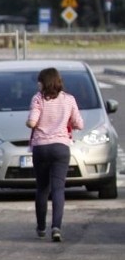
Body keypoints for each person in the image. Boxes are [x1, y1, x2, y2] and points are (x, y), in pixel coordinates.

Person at [26, 67, 83, 242]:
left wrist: (30, 121)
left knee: (42, 188)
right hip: (61, 147)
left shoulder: (38, 99)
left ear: (44, 83)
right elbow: (79, 124)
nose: (38, 84)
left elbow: (32, 121)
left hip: (41, 147)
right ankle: (56, 227)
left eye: (39, 81)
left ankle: (41, 227)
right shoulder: (69, 99)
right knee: (59, 189)